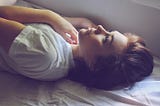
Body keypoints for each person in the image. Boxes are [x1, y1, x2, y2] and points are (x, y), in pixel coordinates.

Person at [0, 6, 153, 90]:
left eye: (106, 38)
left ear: (94, 64)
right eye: (109, 30)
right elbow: (83, 23)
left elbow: (3, 13)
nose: (100, 27)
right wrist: (80, 23)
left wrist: (52, 17)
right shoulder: (71, 43)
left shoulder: (45, 54)